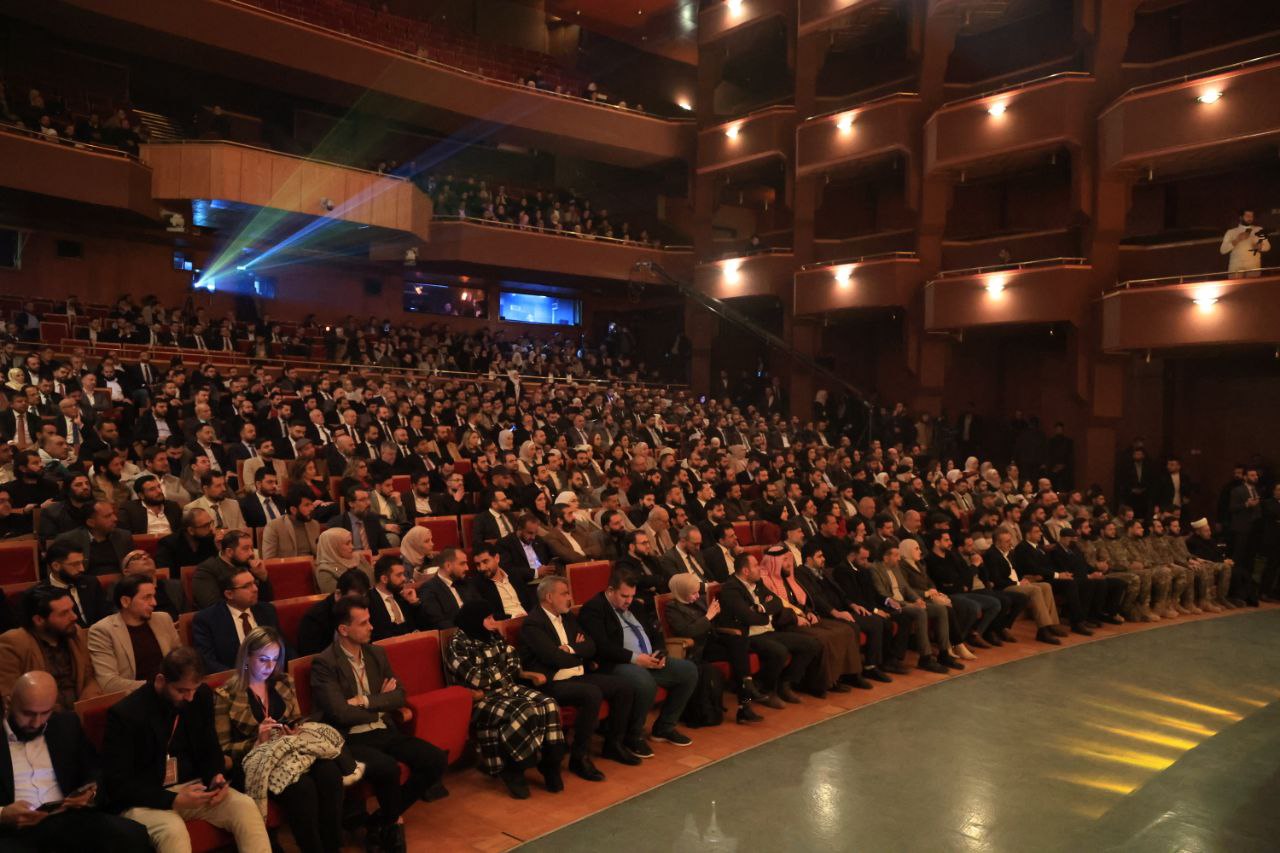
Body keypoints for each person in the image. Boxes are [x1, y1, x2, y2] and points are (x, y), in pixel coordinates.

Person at [309, 596, 448, 852]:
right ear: (344, 629)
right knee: (387, 768)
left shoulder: (376, 653)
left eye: (369, 620)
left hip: (384, 730)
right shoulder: (325, 663)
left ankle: (379, 821)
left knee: (436, 759)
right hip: (350, 738)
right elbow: (340, 713)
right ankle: (392, 826)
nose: (371, 627)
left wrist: (363, 701)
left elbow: (400, 695)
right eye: (363, 623)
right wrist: (379, 705)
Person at [101, 646, 271, 853]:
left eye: (194, 689)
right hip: (145, 799)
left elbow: (210, 748)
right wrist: (173, 799)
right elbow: (118, 785)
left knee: (244, 806)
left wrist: (215, 777)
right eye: (181, 691)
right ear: (161, 681)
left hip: (192, 788)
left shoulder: (200, 696)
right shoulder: (126, 714)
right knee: (173, 830)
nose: (190, 697)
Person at [212, 626, 350, 853]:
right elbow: (223, 750)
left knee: (330, 774)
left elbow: (297, 720)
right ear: (247, 657)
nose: (270, 667)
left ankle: (333, 847)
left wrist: (294, 732)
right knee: (302, 788)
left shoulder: (283, 682)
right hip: (256, 763)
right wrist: (257, 741)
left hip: (291, 753)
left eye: (275, 660)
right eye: (263, 659)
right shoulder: (225, 695)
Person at [0, 671, 153, 853]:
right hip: (15, 831)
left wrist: (90, 793)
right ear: (9, 703)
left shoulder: (66, 725)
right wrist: (2, 814)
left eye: (45, 713)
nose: (36, 722)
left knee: (133, 836)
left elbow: (95, 771)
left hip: (68, 819)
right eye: (28, 713)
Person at [517, 576, 637, 780]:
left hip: (577, 675)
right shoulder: (533, 624)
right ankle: (579, 758)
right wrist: (578, 652)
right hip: (551, 682)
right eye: (564, 593)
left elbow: (591, 646)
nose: (569, 598)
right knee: (591, 693)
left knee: (624, 687)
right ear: (549, 597)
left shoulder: (567, 617)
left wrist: (570, 649)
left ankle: (613, 744)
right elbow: (553, 658)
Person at [443, 599, 566, 799]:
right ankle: (514, 768)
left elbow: (514, 662)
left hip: (507, 689)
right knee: (524, 709)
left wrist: (495, 673)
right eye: (489, 618)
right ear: (475, 619)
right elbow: (477, 679)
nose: (494, 621)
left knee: (549, 704)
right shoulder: (458, 644)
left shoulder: (493, 636)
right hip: (480, 699)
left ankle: (550, 764)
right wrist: (502, 671)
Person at [578, 568, 698, 752]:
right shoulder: (593, 609)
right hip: (617, 663)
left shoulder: (635, 605)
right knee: (644, 682)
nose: (629, 600)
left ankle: (664, 727)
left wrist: (660, 653)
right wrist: (636, 659)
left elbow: (655, 632)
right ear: (610, 590)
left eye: (632, 595)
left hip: (647, 659)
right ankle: (633, 735)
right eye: (624, 596)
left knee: (688, 670)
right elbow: (602, 646)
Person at [715, 552, 823, 701]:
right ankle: (765, 690)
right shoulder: (731, 589)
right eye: (755, 566)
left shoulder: (757, 582)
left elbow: (777, 603)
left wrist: (761, 608)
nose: (760, 568)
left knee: (811, 644)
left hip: (768, 631)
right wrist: (767, 616)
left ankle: (785, 684)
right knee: (779, 652)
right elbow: (748, 617)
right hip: (749, 636)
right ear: (746, 571)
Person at [663, 572, 767, 723]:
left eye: (697, 592)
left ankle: (745, 699)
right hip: (697, 649)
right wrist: (708, 616)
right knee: (739, 653)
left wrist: (717, 613)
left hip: (712, 641)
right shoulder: (672, 608)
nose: (697, 596)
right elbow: (687, 631)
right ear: (682, 593)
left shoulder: (697, 600)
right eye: (693, 593)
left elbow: (714, 623)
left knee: (738, 644)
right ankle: (746, 698)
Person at [0, 586, 99, 711]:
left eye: (72, 609)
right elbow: (13, 697)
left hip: (81, 710)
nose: (74, 617)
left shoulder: (75, 633)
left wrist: (86, 705)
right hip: (43, 716)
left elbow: (90, 676)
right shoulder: (12, 643)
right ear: (39, 620)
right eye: (64, 613)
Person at [87, 574, 182, 694]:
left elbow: (180, 659)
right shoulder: (102, 631)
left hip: (171, 690)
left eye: (153, 596)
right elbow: (109, 683)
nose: (154, 603)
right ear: (125, 601)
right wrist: (157, 686)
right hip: (136, 695)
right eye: (147, 597)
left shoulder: (163, 619)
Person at [983, 529, 1067, 645]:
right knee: (1035, 590)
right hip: (1004, 587)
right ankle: (1043, 630)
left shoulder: (1008, 552)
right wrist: (1018, 583)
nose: (1011, 543)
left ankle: (1051, 624)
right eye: (1007, 541)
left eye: (1010, 540)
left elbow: (1015, 571)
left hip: (1016, 582)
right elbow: (997, 580)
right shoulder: (991, 555)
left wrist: (1025, 578)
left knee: (1046, 586)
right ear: (998, 543)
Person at [191, 568, 280, 673]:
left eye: (254, 583)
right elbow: (208, 662)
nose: (255, 589)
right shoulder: (207, 619)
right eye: (246, 586)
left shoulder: (267, 610)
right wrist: (240, 677)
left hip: (270, 672)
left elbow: (282, 645)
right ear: (229, 594)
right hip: (234, 677)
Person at [190, 530, 274, 610]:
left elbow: (267, 601)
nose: (251, 553)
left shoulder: (250, 566)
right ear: (229, 552)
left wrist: (263, 577)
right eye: (245, 549)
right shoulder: (206, 571)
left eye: (251, 548)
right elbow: (212, 607)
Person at [297, 569, 371, 656]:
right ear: (338, 594)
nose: (358, 605)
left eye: (361, 599)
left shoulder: (363, 607)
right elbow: (313, 658)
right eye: (352, 600)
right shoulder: (314, 619)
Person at [50, 501, 133, 577]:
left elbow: (129, 567)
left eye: (113, 514)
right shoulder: (69, 539)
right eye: (107, 516)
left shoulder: (123, 536)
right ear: (91, 523)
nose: (115, 519)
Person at [43, 541, 109, 629]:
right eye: (75, 564)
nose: (82, 569)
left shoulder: (91, 583)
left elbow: (105, 614)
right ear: (56, 566)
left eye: (82, 562)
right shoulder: (41, 594)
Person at [368, 555, 424, 639]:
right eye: (399, 575)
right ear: (384, 579)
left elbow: (422, 626)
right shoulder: (369, 602)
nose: (404, 579)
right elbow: (377, 635)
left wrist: (414, 602)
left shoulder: (402, 597)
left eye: (403, 574)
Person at [262, 485, 321, 559]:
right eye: (307, 505)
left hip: (313, 565)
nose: (312, 508)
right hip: (287, 565)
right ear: (293, 510)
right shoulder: (274, 527)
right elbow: (269, 559)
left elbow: (320, 554)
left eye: (311, 504)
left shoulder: (314, 524)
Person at [420, 547, 471, 629]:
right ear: (448, 566)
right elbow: (438, 622)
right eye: (462, 564)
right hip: (456, 633)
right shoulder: (429, 589)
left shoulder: (464, 582)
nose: (467, 568)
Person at [314, 527, 373, 594]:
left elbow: (374, 581)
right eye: (347, 543)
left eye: (351, 542)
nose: (352, 547)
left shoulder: (359, 557)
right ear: (334, 547)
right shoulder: (324, 570)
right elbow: (337, 596)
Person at [1220, 208, 1271, 276]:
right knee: (1236, 283)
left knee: (1254, 283)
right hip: (1236, 268)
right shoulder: (1231, 232)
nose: (1250, 218)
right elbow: (1223, 250)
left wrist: (1260, 247)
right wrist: (1237, 240)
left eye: (1251, 216)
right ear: (1241, 217)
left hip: (1253, 267)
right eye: (1247, 216)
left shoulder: (1259, 230)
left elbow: (1268, 246)